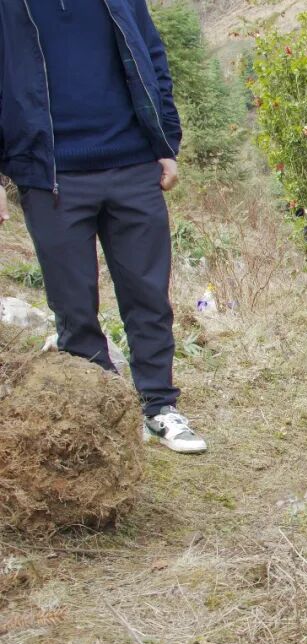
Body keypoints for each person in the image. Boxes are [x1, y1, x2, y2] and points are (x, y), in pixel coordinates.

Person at [0, 0, 206, 454]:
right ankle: (100, 412)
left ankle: (159, 405)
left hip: (133, 163)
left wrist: (165, 141)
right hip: (50, 174)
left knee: (148, 295)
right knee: (74, 307)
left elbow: (152, 54)